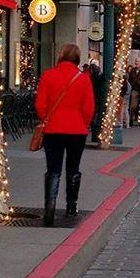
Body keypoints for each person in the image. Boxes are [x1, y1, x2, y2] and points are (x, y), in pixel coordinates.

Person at [34, 43, 95, 226]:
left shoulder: (48, 75)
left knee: (53, 169)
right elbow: (89, 108)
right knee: (73, 168)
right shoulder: (83, 79)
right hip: (77, 130)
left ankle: (50, 207)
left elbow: (40, 104)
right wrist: (83, 124)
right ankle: (71, 206)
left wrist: (46, 119)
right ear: (77, 57)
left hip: (53, 129)